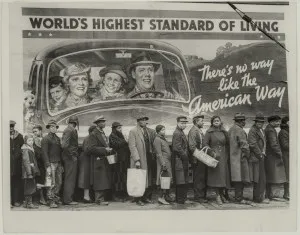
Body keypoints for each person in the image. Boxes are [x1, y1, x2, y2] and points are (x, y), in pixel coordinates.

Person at [128, 112, 156, 206]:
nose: (144, 121)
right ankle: (137, 199)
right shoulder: (133, 131)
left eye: (145, 120)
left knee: (146, 178)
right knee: (138, 178)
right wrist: (137, 160)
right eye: (142, 120)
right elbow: (132, 146)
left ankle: (145, 197)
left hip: (147, 157)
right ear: (138, 121)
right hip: (140, 158)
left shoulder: (147, 131)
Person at [203, 116, 231, 205]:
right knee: (216, 177)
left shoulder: (224, 131)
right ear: (212, 122)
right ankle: (217, 195)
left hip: (223, 156)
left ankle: (222, 194)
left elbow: (228, 143)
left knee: (223, 176)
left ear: (220, 122)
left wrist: (226, 154)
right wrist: (212, 152)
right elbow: (205, 144)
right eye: (214, 121)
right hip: (214, 156)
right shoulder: (209, 132)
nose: (216, 122)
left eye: (218, 120)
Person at [87, 115, 113, 205]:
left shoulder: (102, 132)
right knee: (99, 180)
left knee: (103, 179)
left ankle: (101, 199)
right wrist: (105, 150)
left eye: (104, 121)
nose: (104, 123)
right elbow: (91, 148)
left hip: (103, 159)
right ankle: (99, 199)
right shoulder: (94, 134)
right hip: (97, 160)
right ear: (97, 123)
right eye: (102, 121)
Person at [228, 113, 252, 204]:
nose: (244, 122)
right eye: (243, 121)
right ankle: (239, 198)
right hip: (240, 158)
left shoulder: (231, 129)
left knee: (236, 178)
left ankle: (238, 196)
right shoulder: (240, 130)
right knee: (240, 178)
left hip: (232, 158)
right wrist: (248, 155)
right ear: (241, 121)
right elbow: (244, 146)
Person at [41, 120, 64, 208]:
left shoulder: (57, 138)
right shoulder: (46, 139)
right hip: (50, 163)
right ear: (48, 128)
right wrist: (47, 165)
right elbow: (44, 152)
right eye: (51, 127)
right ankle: (50, 200)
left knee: (59, 182)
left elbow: (59, 152)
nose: (54, 128)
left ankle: (55, 197)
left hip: (58, 162)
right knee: (51, 182)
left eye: (55, 127)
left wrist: (61, 164)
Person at [248, 113, 269, 204]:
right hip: (257, 157)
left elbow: (263, 142)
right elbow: (252, 144)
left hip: (261, 156)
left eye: (262, 122)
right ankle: (258, 198)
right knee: (259, 178)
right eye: (258, 121)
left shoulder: (261, 130)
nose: (260, 123)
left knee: (261, 178)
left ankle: (260, 197)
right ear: (255, 122)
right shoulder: (253, 130)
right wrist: (260, 154)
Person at [265, 115, 287, 201]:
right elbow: (273, 144)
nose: (278, 123)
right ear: (272, 122)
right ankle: (268, 195)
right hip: (272, 156)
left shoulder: (269, 128)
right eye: (277, 121)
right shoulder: (270, 130)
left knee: (269, 176)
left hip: (270, 155)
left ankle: (269, 194)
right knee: (270, 175)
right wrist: (280, 153)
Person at [188, 114, 208, 203]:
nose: (203, 122)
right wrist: (201, 156)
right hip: (197, 159)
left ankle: (201, 195)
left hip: (201, 158)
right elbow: (192, 147)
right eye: (201, 121)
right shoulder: (193, 131)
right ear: (196, 122)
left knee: (201, 177)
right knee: (198, 178)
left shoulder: (198, 130)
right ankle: (198, 197)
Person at [109, 122, 130, 202]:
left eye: (120, 128)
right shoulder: (112, 136)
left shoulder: (120, 135)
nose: (120, 129)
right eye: (118, 128)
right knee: (117, 178)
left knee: (122, 177)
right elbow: (116, 145)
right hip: (117, 161)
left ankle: (122, 194)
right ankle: (116, 195)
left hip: (123, 160)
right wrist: (125, 141)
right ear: (114, 129)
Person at [153, 125, 174, 205]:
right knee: (163, 180)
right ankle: (161, 197)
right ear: (158, 131)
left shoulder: (162, 138)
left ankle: (166, 196)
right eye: (162, 130)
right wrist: (163, 164)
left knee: (167, 179)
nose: (164, 131)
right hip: (163, 162)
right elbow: (158, 153)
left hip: (167, 162)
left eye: (164, 129)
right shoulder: (157, 139)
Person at [61, 116, 79, 205]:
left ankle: (68, 198)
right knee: (70, 178)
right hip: (70, 158)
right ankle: (68, 199)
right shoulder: (69, 130)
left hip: (70, 157)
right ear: (75, 122)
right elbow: (64, 145)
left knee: (70, 178)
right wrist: (72, 155)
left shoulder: (70, 129)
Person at [172, 116, 190, 204]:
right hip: (179, 159)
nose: (184, 125)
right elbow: (177, 147)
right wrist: (185, 156)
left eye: (185, 123)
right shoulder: (177, 133)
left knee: (182, 179)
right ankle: (180, 199)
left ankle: (181, 198)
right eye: (182, 123)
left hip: (181, 159)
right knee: (180, 179)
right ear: (178, 123)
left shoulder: (180, 132)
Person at [78, 125, 97, 203]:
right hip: (86, 159)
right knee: (86, 178)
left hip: (85, 158)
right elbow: (87, 150)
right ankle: (86, 197)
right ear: (92, 131)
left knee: (86, 178)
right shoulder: (90, 138)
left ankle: (87, 196)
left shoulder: (87, 138)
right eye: (95, 131)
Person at [21, 134, 40, 209]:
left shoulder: (30, 148)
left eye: (32, 140)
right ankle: (29, 203)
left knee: (30, 186)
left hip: (31, 170)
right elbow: (26, 162)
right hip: (28, 172)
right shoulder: (26, 149)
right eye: (29, 140)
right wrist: (29, 173)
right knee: (29, 187)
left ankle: (27, 203)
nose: (31, 142)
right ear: (25, 141)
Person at [10, 120, 24, 207]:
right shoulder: (2, 135)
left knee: (16, 182)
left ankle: (15, 201)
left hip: (17, 164)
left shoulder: (19, 136)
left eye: (12, 126)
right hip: (7, 164)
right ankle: (8, 202)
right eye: (9, 126)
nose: (11, 128)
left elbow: (21, 148)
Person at [32, 125, 47, 205]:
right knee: (39, 181)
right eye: (33, 131)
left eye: (36, 131)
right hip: (38, 164)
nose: (34, 133)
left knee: (47, 180)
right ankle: (41, 198)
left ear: (40, 131)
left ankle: (47, 197)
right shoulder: (33, 141)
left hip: (46, 163)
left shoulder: (44, 139)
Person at [278, 116, 289, 200]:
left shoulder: (286, 131)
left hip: (289, 156)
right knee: (288, 175)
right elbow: (285, 145)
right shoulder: (283, 132)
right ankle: (286, 194)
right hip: (286, 156)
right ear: (287, 122)